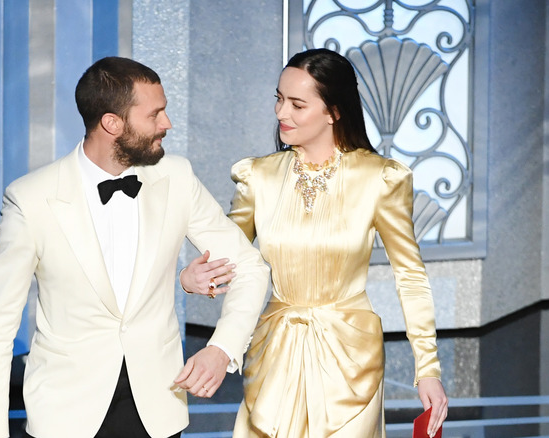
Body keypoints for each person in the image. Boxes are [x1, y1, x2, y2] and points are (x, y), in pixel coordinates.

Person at [0, 56, 269, 438]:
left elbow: (250, 267)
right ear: (112, 123)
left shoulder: (176, 177)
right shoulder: (31, 200)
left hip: (158, 408)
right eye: (155, 114)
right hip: (65, 416)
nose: (167, 124)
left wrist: (222, 348)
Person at [180, 48, 448, 437]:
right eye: (278, 98)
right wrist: (194, 279)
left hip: (351, 359)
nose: (280, 113)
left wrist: (428, 369)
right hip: (275, 354)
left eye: (297, 104)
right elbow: (230, 258)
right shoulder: (258, 176)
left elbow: (410, 276)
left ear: (333, 111)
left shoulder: (379, 179)